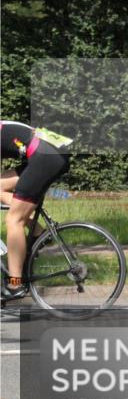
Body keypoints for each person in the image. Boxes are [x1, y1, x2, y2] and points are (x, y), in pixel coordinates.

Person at [1, 121, 71, 301]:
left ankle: (15, 284)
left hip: (44, 156)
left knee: (14, 220)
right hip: (49, 152)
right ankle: (38, 230)